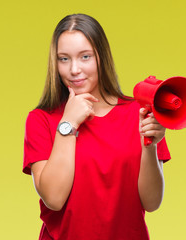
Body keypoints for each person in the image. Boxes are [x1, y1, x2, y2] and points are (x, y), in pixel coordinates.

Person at [23, 13, 171, 240]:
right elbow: (53, 198)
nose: (74, 70)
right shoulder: (41, 119)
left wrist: (150, 145)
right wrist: (68, 123)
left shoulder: (139, 114)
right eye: (64, 59)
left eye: (85, 57)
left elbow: (151, 203)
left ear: (102, 57)